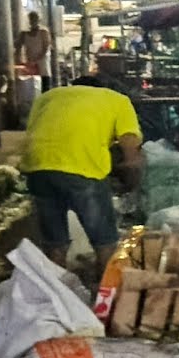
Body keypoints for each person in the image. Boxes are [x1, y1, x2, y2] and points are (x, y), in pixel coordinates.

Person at [19, 75, 142, 269]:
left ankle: (54, 289)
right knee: (105, 241)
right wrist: (132, 181)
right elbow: (130, 144)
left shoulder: (48, 96)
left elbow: (33, 128)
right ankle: (106, 292)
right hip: (83, 169)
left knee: (55, 242)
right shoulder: (118, 100)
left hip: (37, 167)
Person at [16, 12, 54, 92]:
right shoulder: (24, 34)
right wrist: (19, 60)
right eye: (31, 19)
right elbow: (18, 46)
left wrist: (37, 59)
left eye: (35, 19)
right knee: (31, 86)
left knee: (45, 85)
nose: (33, 21)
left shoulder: (43, 32)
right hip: (30, 63)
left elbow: (46, 47)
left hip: (42, 63)